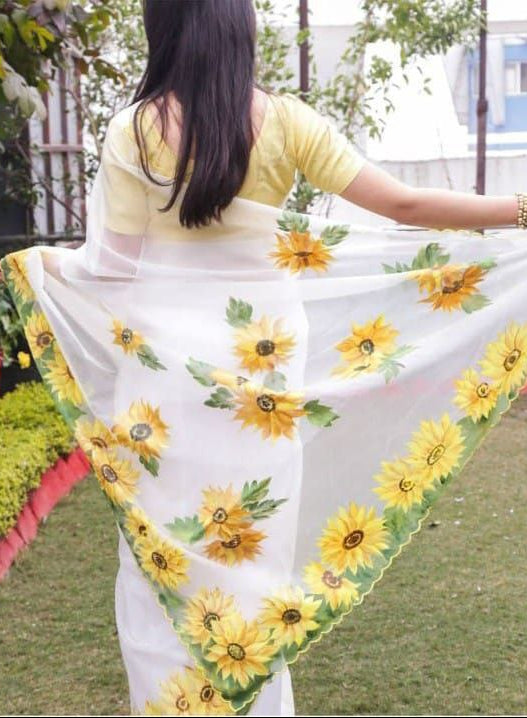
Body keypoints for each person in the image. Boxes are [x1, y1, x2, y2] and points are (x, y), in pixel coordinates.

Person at [2, 1, 527, 716]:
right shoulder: (286, 122)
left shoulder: (134, 130)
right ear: (239, 28)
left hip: (163, 386)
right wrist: (519, 210)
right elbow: (402, 206)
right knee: (254, 572)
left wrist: (47, 265)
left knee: (163, 572)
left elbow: (113, 271)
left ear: (164, 27)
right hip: (263, 385)